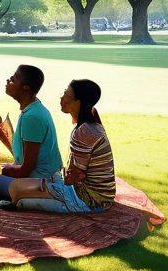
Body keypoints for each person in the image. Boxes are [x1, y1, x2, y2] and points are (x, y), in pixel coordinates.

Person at [8, 80, 116, 214]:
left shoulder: (84, 132)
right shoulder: (91, 121)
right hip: (97, 196)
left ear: (78, 102)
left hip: (87, 199)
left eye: (66, 94)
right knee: (19, 189)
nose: (61, 98)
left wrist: (54, 188)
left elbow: (76, 176)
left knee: (19, 195)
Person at [0, 64, 64, 203]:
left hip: (42, 183)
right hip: (42, 177)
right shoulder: (33, 109)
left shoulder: (32, 117)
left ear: (25, 88)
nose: (8, 80)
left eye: (14, 79)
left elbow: (26, 169)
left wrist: (7, 170)